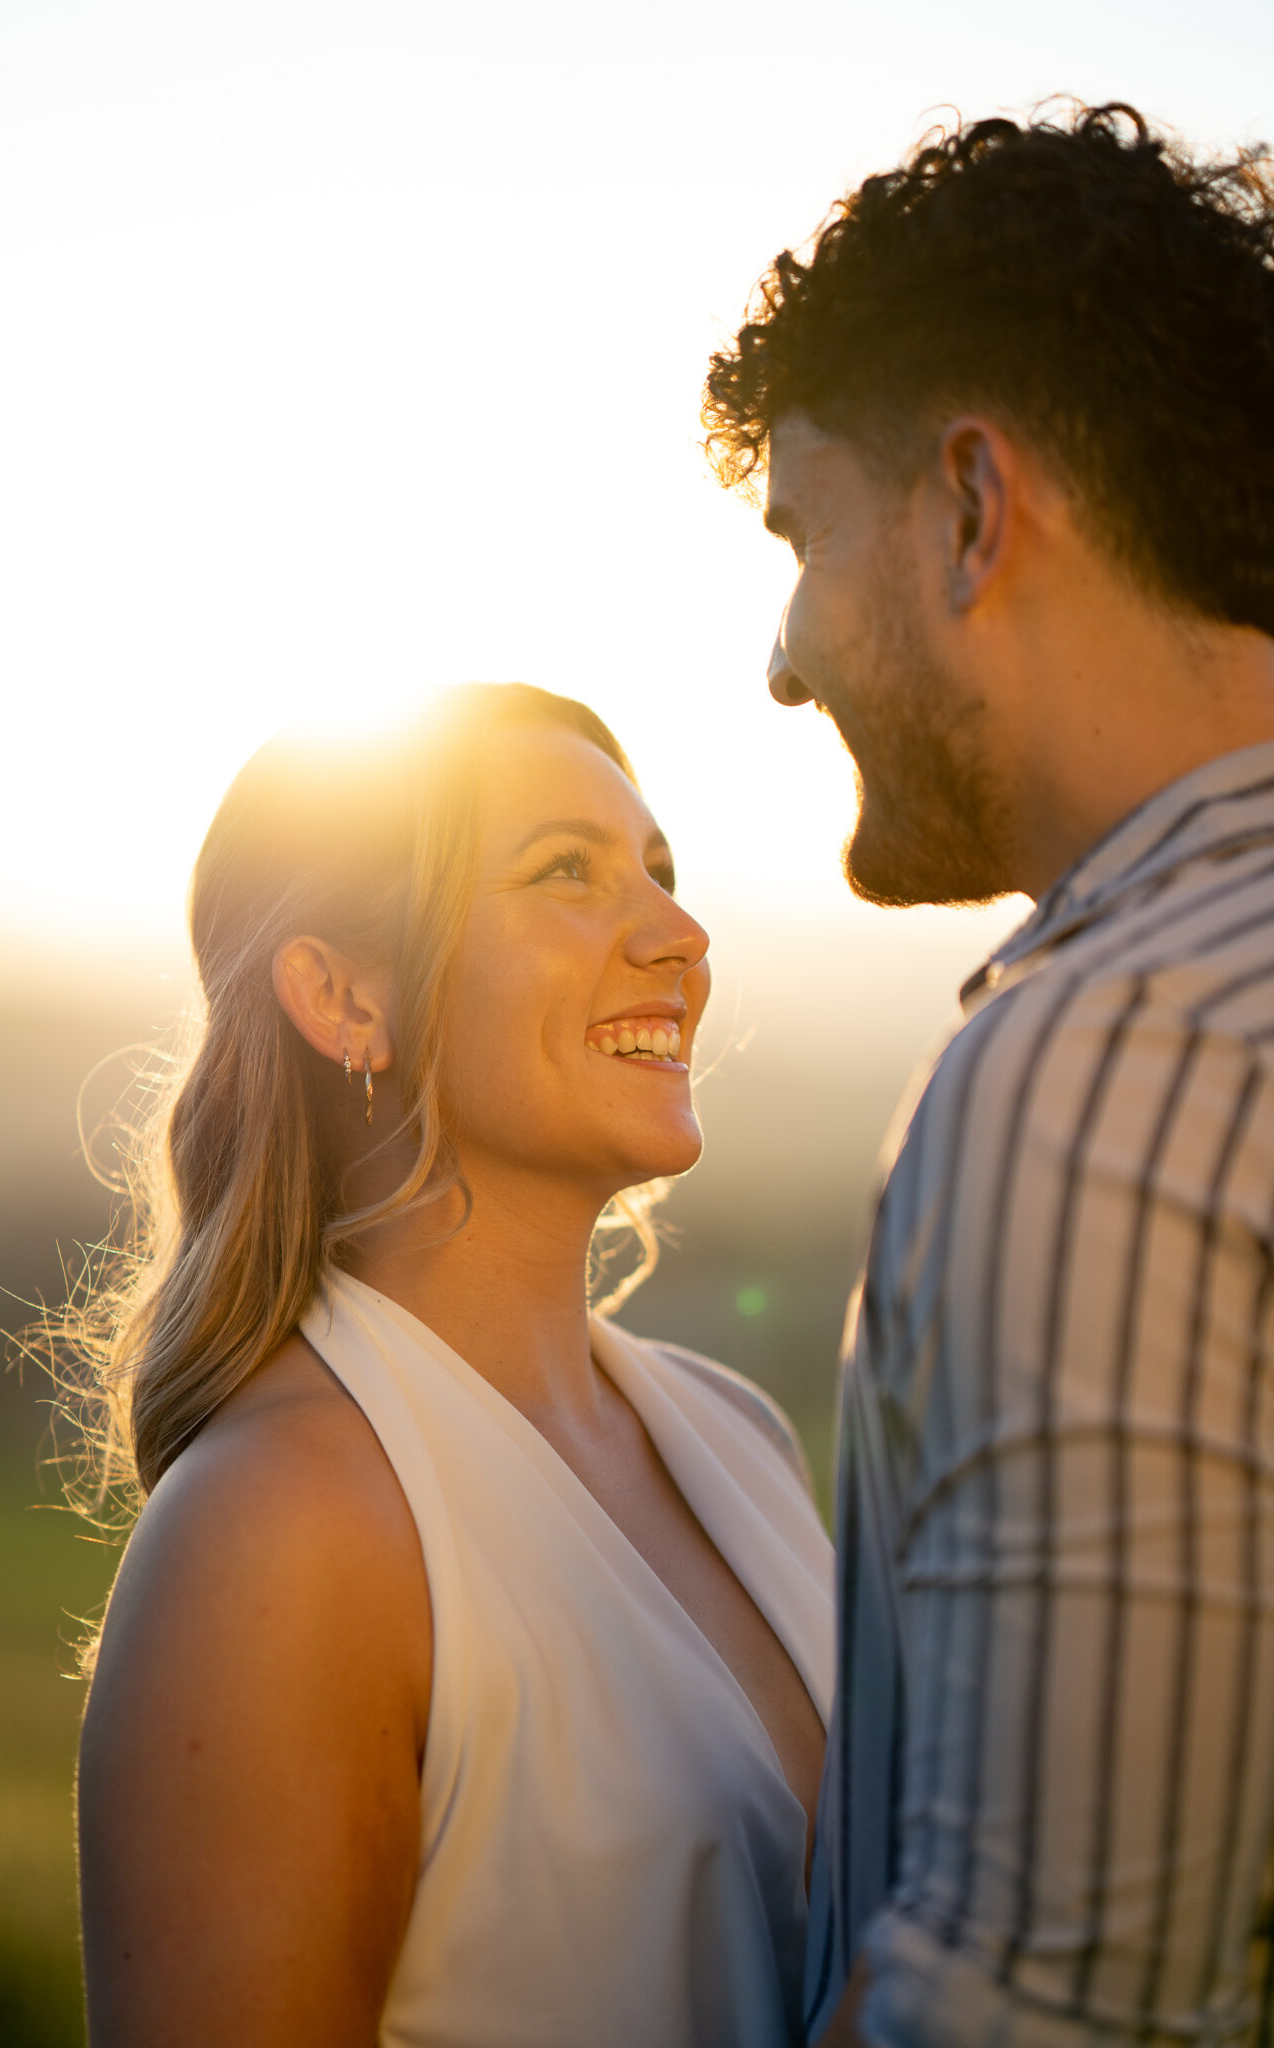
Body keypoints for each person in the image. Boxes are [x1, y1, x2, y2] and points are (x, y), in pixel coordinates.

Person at [703, 103, 1274, 2048]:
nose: (782, 663)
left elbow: (1045, 2010)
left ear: (967, 508)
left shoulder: (1103, 1062)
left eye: (799, 536)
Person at [73, 681, 835, 2048]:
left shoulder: (740, 1436)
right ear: (341, 994)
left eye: (660, 872)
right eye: (567, 873)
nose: (679, 933)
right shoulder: (283, 1532)